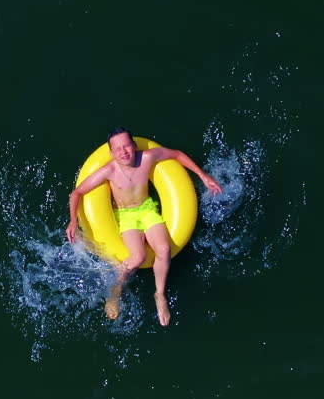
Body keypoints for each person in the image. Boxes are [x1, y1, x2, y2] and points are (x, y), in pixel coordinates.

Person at [66, 127, 223, 325]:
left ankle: (160, 295)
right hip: (127, 215)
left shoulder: (147, 158)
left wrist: (203, 175)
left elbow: (177, 155)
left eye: (127, 146)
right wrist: (73, 220)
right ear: (112, 153)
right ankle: (116, 292)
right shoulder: (109, 171)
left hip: (148, 209)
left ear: (133, 145)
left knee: (164, 249)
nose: (124, 152)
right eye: (118, 149)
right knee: (138, 257)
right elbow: (77, 193)